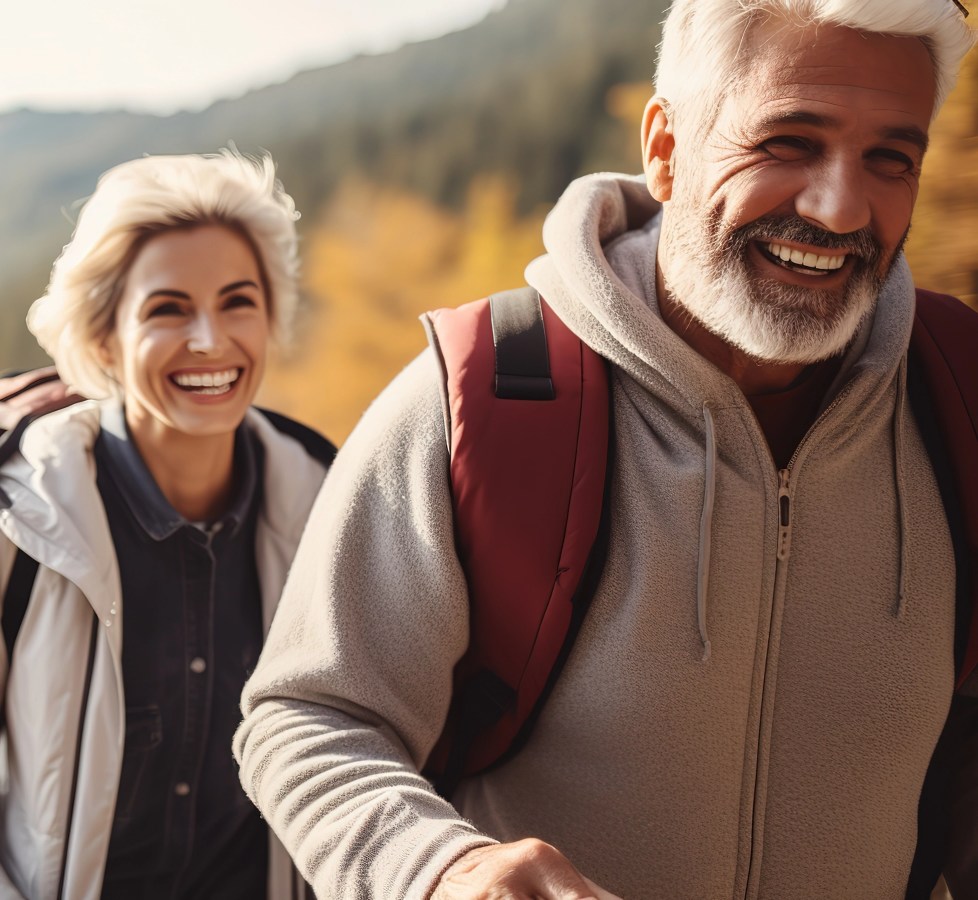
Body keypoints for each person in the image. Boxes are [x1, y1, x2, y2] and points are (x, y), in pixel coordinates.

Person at [234, 1, 978, 898]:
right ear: (664, 148)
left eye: (891, 157)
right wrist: (439, 868)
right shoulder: (481, 397)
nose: (840, 204)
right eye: (788, 141)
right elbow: (307, 716)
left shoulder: (962, 396)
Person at [0, 151, 333, 899]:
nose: (211, 340)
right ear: (105, 337)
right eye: (168, 308)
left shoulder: (333, 511)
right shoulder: (19, 519)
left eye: (239, 301)